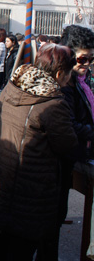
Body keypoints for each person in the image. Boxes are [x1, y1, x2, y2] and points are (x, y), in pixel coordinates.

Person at [0, 44, 77, 261]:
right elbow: (67, 145)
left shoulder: (12, 87)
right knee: (20, 251)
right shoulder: (53, 104)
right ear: (60, 73)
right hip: (31, 194)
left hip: (1, 184)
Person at [58, 25, 94, 256]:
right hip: (65, 157)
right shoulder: (64, 83)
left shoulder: (79, 79)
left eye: (91, 59)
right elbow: (70, 126)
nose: (87, 65)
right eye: (83, 59)